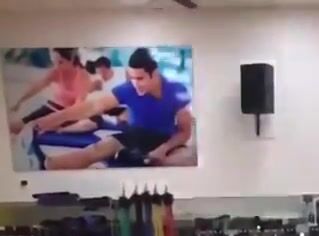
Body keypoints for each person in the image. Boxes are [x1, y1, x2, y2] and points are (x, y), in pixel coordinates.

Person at [33, 47, 194, 169]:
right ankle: (47, 164)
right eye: (132, 78)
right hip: (135, 135)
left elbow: (184, 132)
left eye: (140, 78)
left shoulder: (176, 91)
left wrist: (164, 149)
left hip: (165, 139)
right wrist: (54, 118)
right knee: (96, 149)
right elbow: (94, 106)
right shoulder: (128, 89)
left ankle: (137, 159)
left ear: (155, 73)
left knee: (187, 158)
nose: (136, 84)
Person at [9, 48, 93, 136]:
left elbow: (78, 104)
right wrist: (20, 100)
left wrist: (52, 121)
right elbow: (38, 86)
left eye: (60, 62)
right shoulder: (56, 71)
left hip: (72, 113)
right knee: (16, 126)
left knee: (35, 127)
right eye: (54, 62)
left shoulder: (82, 75)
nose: (56, 66)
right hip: (53, 107)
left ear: (71, 60)